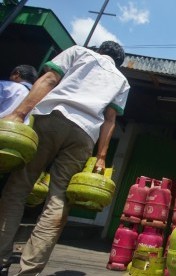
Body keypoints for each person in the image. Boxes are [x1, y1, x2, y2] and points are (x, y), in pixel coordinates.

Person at [0, 41, 130, 276]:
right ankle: (30, 271)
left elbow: (49, 80)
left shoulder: (79, 52)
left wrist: (18, 113)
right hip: (84, 135)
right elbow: (110, 120)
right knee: (58, 199)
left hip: (51, 118)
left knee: (19, 186)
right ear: (118, 62)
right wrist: (101, 158)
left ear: (100, 50)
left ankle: (0, 258)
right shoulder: (122, 80)